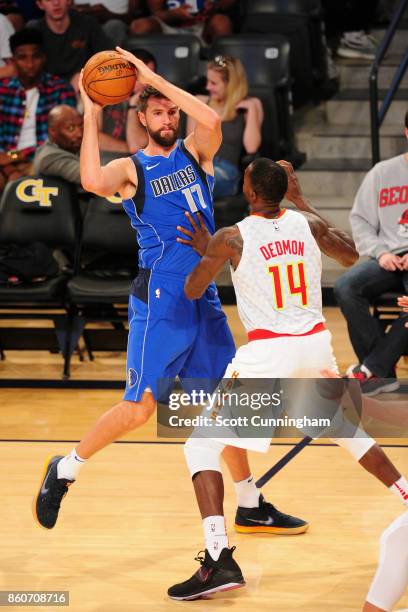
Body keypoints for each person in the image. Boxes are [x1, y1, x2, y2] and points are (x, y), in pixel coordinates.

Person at [33, 47, 307, 541]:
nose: (167, 117)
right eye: (157, 111)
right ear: (140, 117)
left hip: (201, 297)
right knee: (139, 409)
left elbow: (210, 115)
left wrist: (152, 78)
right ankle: (67, 466)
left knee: (223, 401)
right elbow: (92, 180)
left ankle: (249, 501)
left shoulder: (196, 151)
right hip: (160, 300)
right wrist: (92, 113)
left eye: (171, 111)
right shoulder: (132, 169)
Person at [167, 158, 408, 600]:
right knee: (344, 428)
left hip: (268, 354)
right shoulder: (305, 223)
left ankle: (218, 558)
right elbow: (352, 256)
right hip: (315, 346)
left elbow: (192, 289)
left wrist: (211, 252)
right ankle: (407, 495)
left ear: (252, 193)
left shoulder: (232, 236)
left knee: (199, 445)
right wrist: (301, 200)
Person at [334, 112, 408, 396]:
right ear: (406, 133)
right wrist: (381, 253)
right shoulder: (382, 173)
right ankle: (383, 373)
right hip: (388, 257)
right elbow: (361, 220)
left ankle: (372, 369)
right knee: (346, 287)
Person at [0, 27, 76, 190]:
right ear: (13, 61)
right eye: (22, 58)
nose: (30, 64)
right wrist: (10, 167)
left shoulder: (60, 89)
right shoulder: (3, 90)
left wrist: (15, 156)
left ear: (44, 58)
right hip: (4, 163)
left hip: (44, 159)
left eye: (36, 56)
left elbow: (64, 137)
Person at [186, 55, 263, 199]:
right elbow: (190, 147)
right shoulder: (200, 102)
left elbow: (252, 147)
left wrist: (251, 111)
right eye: (208, 81)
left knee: (193, 188)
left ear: (230, 84)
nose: (207, 87)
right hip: (197, 168)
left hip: (227, 172)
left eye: (213, 83)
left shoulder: (252, 105)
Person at [31, 0, 111, 91]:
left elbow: (108, 58)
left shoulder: (87, 23)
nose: (56, 3)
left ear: (69, 1)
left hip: (86, 87)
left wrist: (85, 74)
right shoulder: (33, 31)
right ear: (39, 4)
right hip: (49, 92)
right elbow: (28, 70)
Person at [97, 48, 156, 159]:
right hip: (102, 161)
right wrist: (126, 148)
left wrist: (133, 105)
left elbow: (136, 146)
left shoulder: (153, 105)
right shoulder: (103, 96)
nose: (144, 83)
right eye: (140, 76)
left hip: (134, 167)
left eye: (149, 76)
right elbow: (92, 139)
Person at [129, 0, 235, 43]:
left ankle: (220, 73)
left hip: (202, 26)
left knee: (222, 22)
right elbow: (156, 12)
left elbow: (226, 4)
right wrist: (173, 14)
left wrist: (214, 6)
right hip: (167, 27)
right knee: (140, 27)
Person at [32, 104, 83, 183]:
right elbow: (93, 179)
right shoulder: (48, 157)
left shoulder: (72, 146)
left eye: (81, 125)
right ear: (53, 131)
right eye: (71, 128)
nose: (80, 134)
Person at [73, 0, 140, 47]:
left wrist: (107, 13)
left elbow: (131, 14)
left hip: (115, 21)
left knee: (114, 26)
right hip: (80, 20)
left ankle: (109, 63)